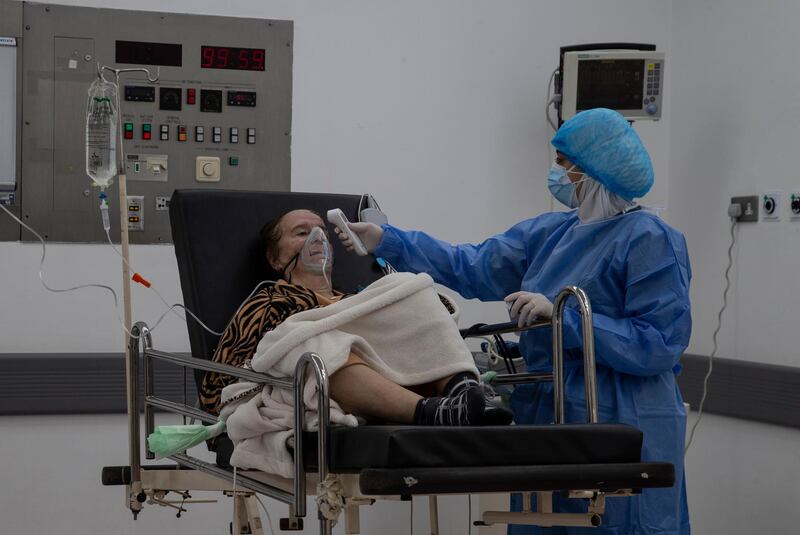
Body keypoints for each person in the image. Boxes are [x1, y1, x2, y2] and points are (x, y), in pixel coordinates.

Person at [336, 108, 691, 534]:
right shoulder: (550, 234)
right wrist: (390, 241)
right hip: (550, 409)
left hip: (624, 409)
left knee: (619, 522)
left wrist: (566, 318)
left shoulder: (651, 238)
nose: (558, 173)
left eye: (564, 163)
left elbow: (659, 344)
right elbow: (471, 265)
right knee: (543, 520)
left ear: (595, 169)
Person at [199, 208, 513, 427]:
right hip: (313, 383)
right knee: (312, 341)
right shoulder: (267, 302)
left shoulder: (358, 301)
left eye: (321, 230)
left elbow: (429, 316)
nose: (317, 238)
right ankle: (432, 413)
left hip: (391, 373)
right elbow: (224, 382)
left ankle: (463, 392)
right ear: (275, 257)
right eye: (301, 232)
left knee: (409, 285)